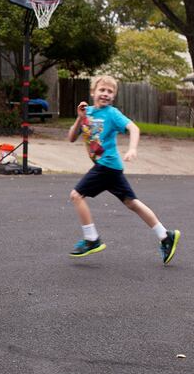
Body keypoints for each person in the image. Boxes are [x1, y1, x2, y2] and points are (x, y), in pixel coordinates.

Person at [67, 75, 181, 262]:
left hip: (107, 165)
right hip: (111, 168)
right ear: (93, 92)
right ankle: (165, 235)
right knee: (131, 202)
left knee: (76, 195)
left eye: (110, 91)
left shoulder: (112, 114)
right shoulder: (87, 113)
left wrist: (133, 148)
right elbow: (71, 137)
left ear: (114, 96)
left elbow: (134, 128)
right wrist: (80, 119)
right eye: (102, 90)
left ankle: (91, 239)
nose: (105, 94)